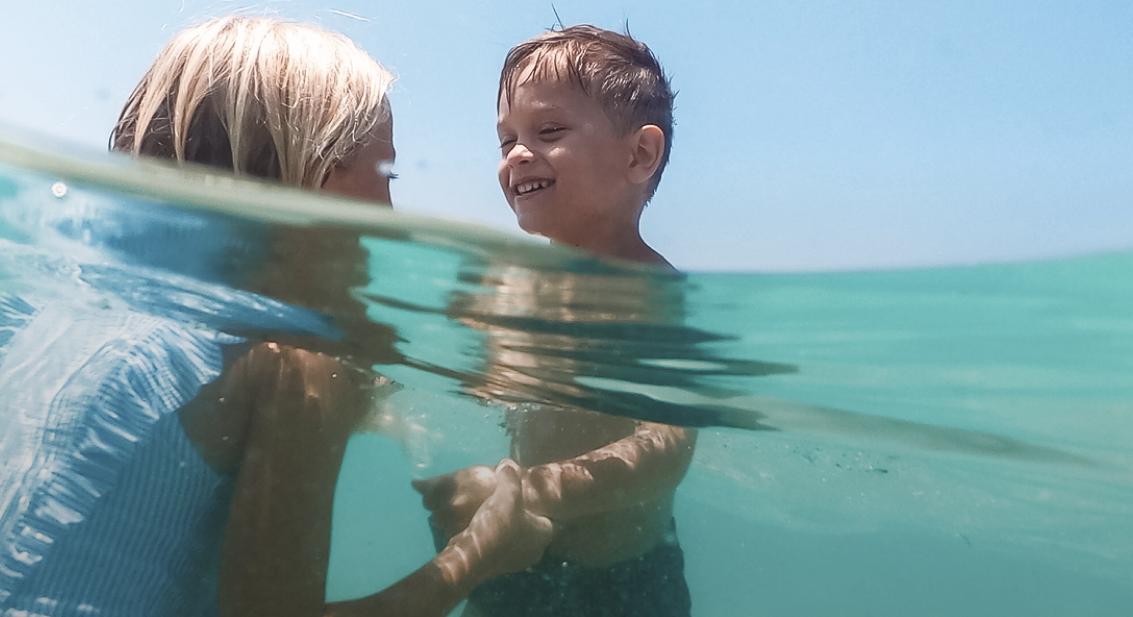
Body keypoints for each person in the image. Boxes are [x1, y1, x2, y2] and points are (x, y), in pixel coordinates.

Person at [0, 16, 550, 617]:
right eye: (386, 174)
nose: (393, 214)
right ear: (312, 174)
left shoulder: (52, 310)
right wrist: (480, 552)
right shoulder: (297, 361)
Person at [413, 25, 695, 617]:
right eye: (506, 139)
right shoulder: (504, 290)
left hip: (621, 584)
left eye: (549, 132)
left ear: (639, 155)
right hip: (518, 558)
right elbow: (481, 386)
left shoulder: (653, 295)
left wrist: (520, 491)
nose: (517, 154)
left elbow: (665, 450)